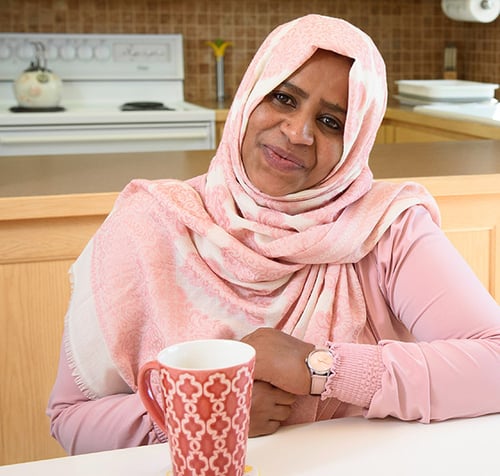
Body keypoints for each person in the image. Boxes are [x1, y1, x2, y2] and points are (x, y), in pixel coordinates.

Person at [47, 14, 500, 454]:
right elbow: (71, 419)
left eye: (331, 122)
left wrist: (318, 366)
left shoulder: (384, 228)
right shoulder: (152, 222)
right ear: (250, 97)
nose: (297, 132)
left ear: (356, 142)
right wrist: (202, 412)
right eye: (284, 98)